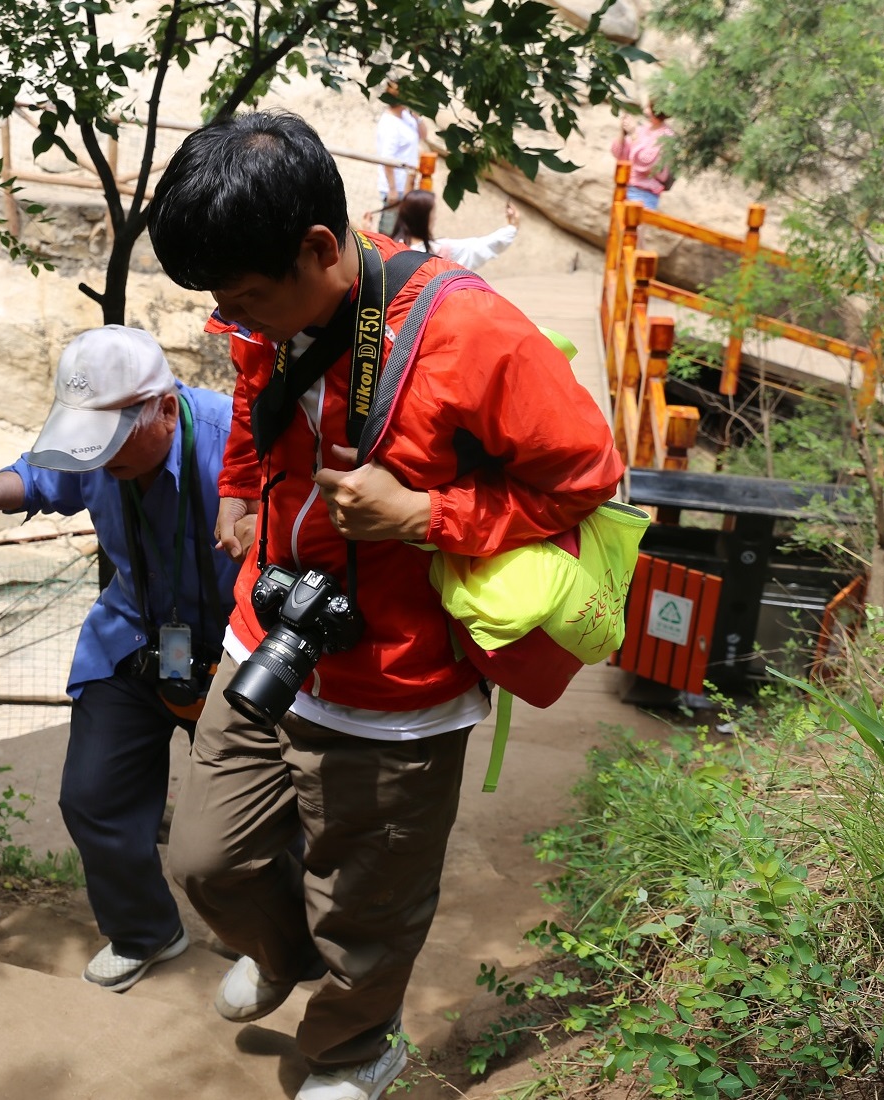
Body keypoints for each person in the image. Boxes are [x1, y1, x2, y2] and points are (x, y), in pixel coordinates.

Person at [146, 112, 623, 1100]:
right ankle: (282, 953)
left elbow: (586, 479)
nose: (238, 321)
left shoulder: (471, 333)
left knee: (366, 898)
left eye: (248, 300)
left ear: (321, 248)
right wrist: (237, 490)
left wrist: (424, 515)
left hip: (398, 680)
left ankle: (353, 1046)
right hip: (269, 636)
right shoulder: (267, 314)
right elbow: (256, 398)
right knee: (207, 857)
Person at [0, 326, 239, 994]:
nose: (96, 457)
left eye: (110, 439)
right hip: (136, 635)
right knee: (93, 796)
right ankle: (145, 931)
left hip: (237, 647)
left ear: (163, 408)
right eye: (86, 440)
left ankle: (267, 938)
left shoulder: (234, 441)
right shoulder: (96, 454)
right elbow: (37, 477)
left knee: (244, 814)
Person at [390, 188, 520, 272]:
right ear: (425, 218)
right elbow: (483, 246)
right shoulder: (440, 251)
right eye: (433, 212)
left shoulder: (391, 250)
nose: (435, 217)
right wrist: (512, 227)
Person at [372, 84, 433, 235]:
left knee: (403, 230)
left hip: (408, 184)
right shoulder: (390, 124)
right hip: (396, 186)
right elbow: (387, 158)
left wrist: (417, 116)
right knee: (389, 231)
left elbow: (424, 135)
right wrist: (392, 189)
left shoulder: (406, 116)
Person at [610, 102, 675, 210]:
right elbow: (619, 154)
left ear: (658, 110)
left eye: (648, 107)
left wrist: (633, 135)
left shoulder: (666, 136)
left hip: (644, 194)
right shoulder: (643, 129)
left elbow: (645, 163)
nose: (645, 111)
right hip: (625, 188)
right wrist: (623, 132)